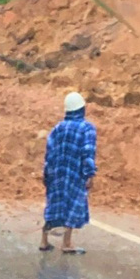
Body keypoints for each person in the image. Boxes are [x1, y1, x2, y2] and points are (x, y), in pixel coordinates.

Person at [40, 92, 97, 254]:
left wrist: (46, 173)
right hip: (75, 174)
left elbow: (49, 153)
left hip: (57, 173)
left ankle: (44, 240)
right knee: (72, 205)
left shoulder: (57, 128)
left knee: (54, 205)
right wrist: (90, 173)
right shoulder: (87, 128)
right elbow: (88, 152)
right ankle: (67, 243)